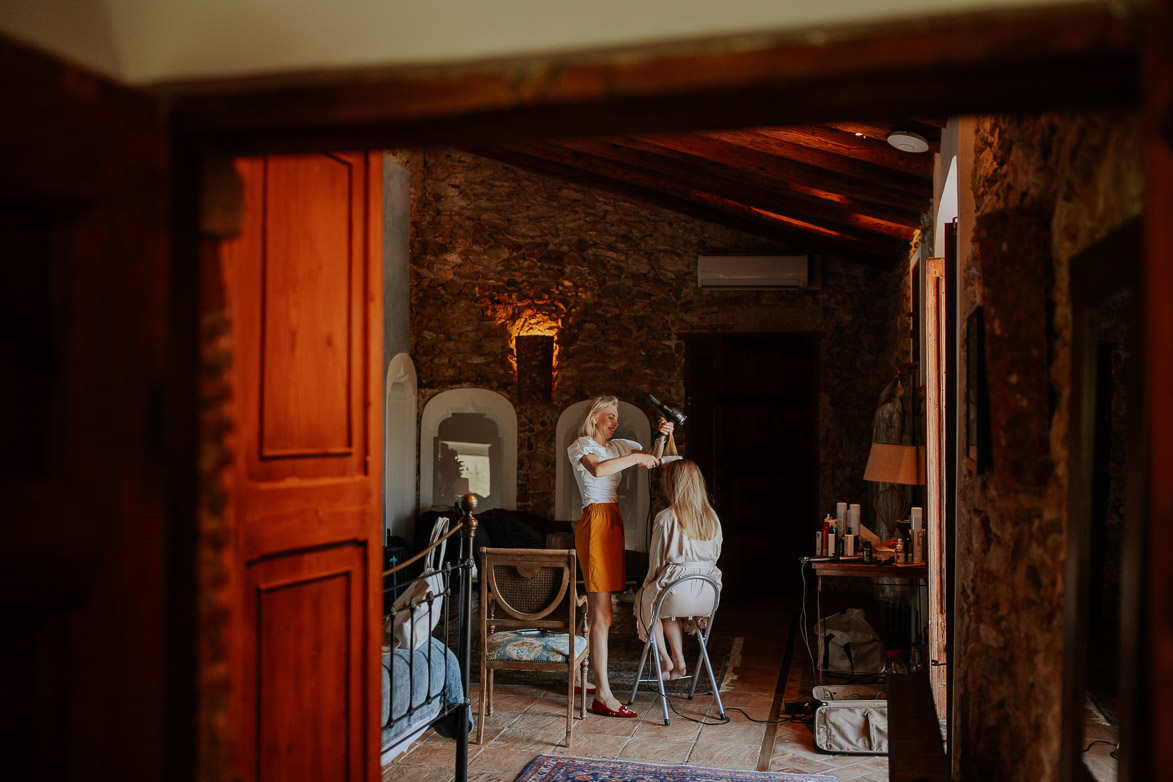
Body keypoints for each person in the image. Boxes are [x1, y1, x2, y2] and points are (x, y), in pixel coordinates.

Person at [568, 395, 673, 718]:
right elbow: (598, 471)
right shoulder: (582, 446)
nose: (615, 422)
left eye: (616, 417)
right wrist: (636, 459)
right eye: (610, 416)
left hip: (612, 520)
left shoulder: (620, 447)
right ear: (595, 416)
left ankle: (578, 675)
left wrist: (663, 437)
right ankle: (603, 694)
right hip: (595, 521)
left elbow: (656, 461)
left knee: (600, 612)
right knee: (603, 614)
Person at [634, 458, 723, 682]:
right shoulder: (712, 517)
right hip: (707, 592)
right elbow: (717, 553)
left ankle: (665, 657)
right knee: (665, 605)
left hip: (676, 589)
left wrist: (647, 584)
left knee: (647, 599)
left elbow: (657, 561)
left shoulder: (666, 517)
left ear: (672, 485)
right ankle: (680, 659)